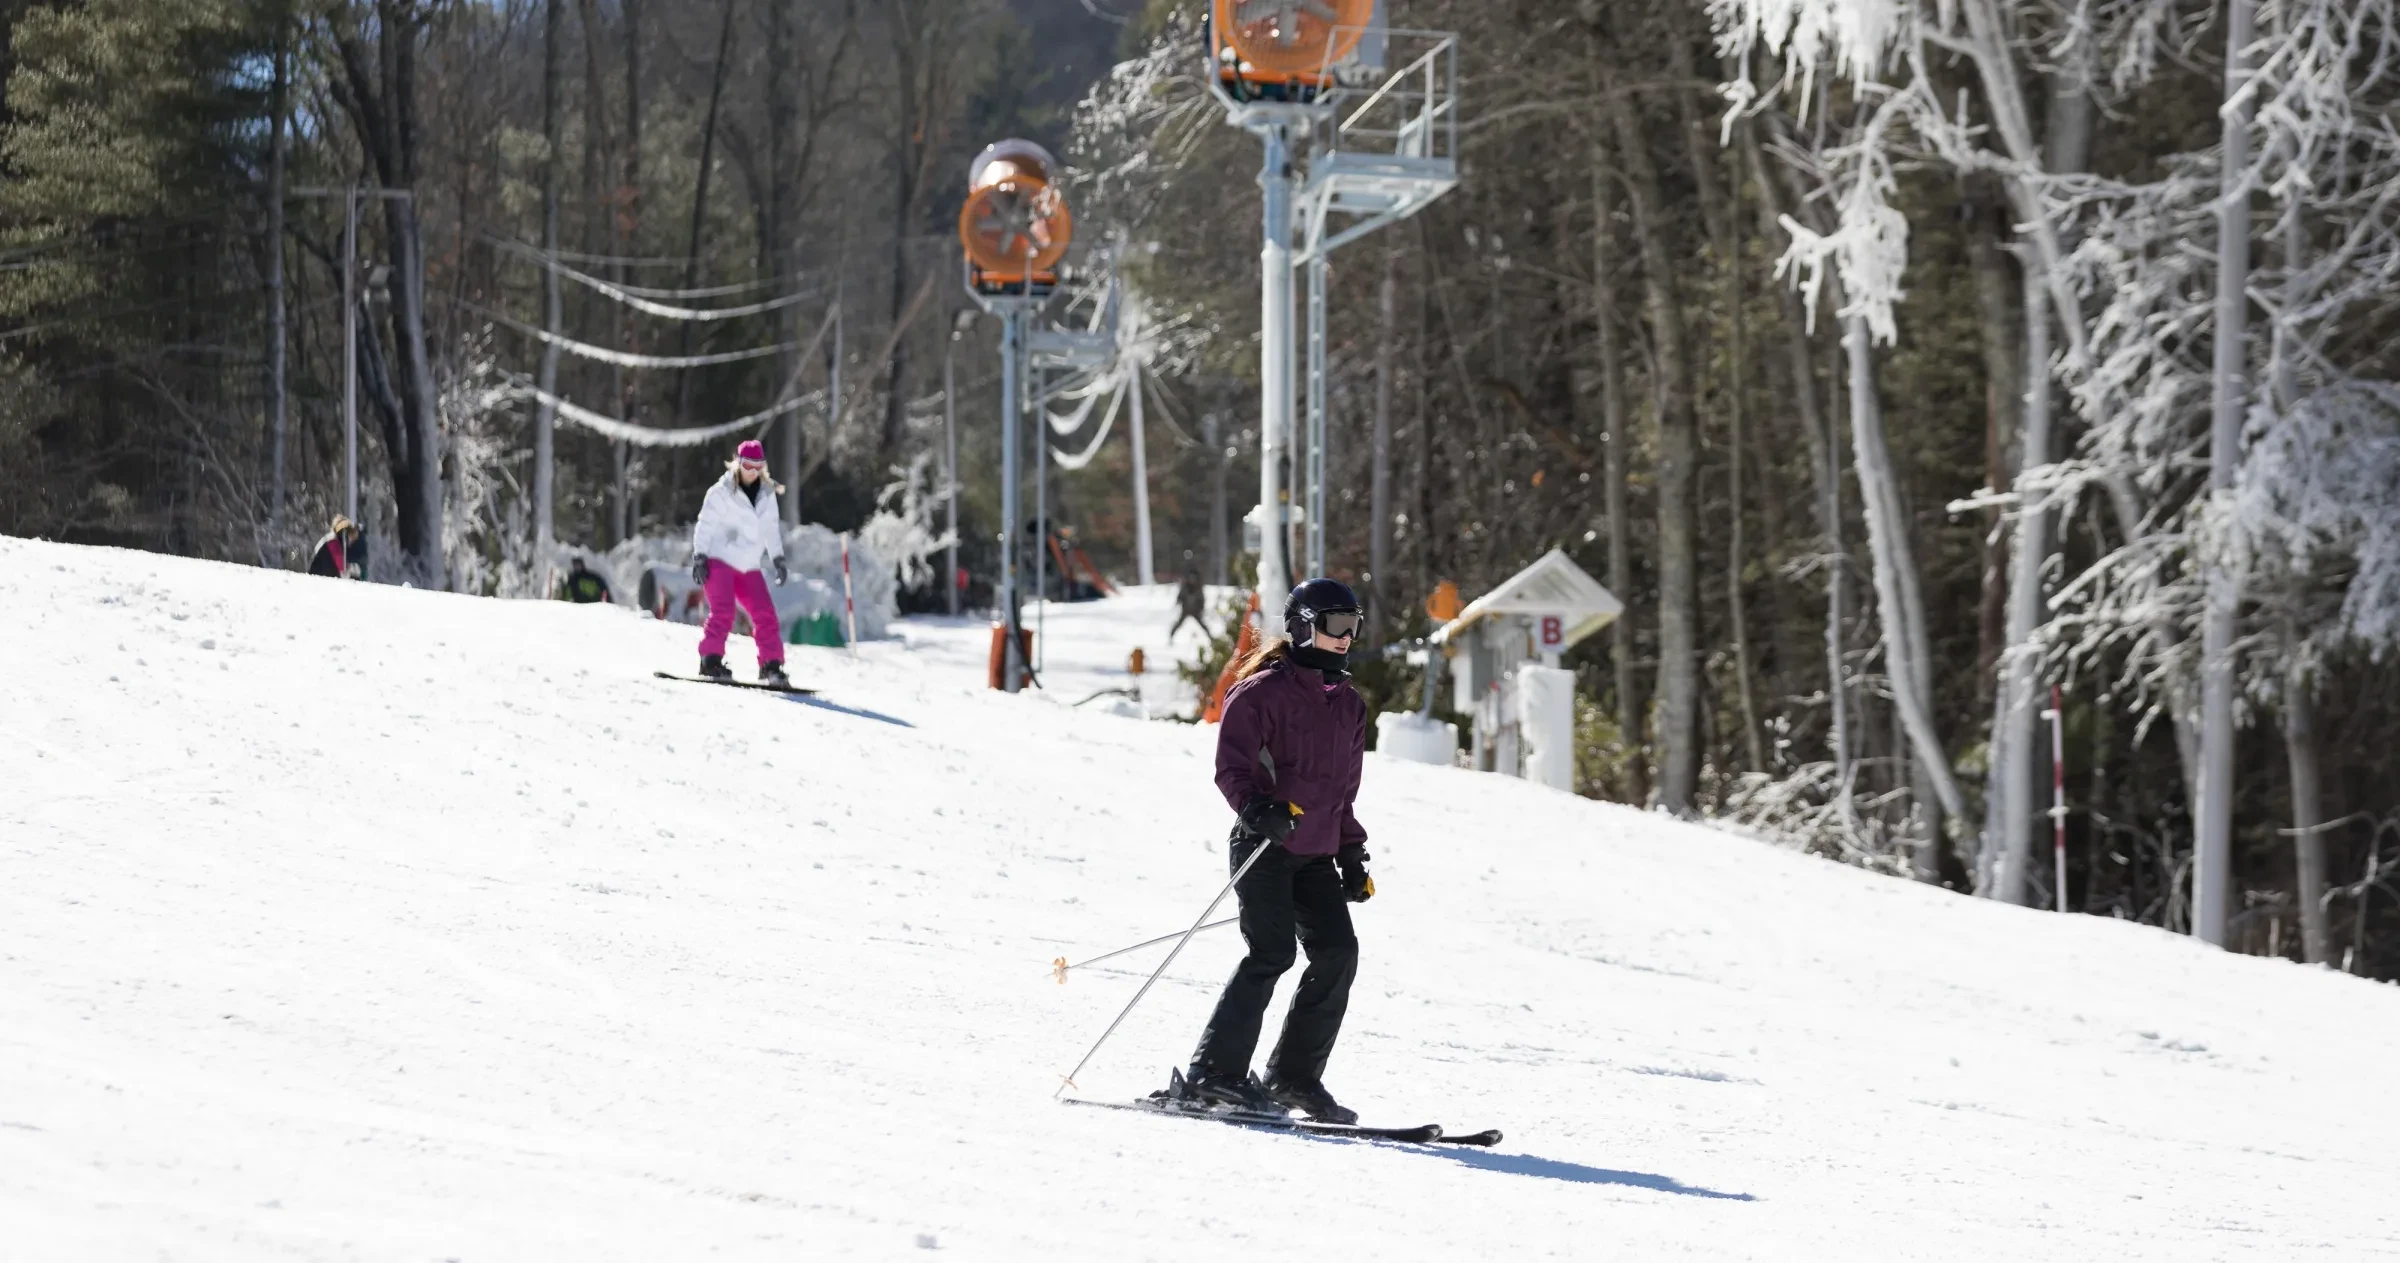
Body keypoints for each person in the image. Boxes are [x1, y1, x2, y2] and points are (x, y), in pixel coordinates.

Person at [1183, 577, 1374, 1124]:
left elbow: (1342, 793)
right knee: (1271, 953)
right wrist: (1255, 808)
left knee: (1338, 952)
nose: (1344, 637)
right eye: (1334, 625)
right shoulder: (1261, 692)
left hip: (1314, 852)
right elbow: (1232, 768)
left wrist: (1351, 854)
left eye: (1352, 627)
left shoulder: (1349, 707)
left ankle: (1293, 1077)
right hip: (1265, 843)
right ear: (1301, 625)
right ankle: (1213, 1075)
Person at [690, 439, 791, 687]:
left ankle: (771, 665)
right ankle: (710, 659)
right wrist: (699, 556)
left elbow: (770, 529)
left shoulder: (767, 494)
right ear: (738, 463)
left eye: (757, 466)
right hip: (719, 558)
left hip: (747, 564)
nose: (752, 472)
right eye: (747, 466)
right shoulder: (722, 491)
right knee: (723, 610)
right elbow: (706, 523)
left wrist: (778, 558)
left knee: (765, 612)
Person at [1169, 560, 1208, 640]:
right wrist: (1178, 602)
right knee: (1179, 624)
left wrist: (1201, 608)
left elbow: (1201, 599)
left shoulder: (1198, 589)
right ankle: (1171, 636)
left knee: (1203, 625)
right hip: (1186, 610)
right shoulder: (1185, 587)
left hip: (1195, 611)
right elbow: (1181, 596)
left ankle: (1211, 637)